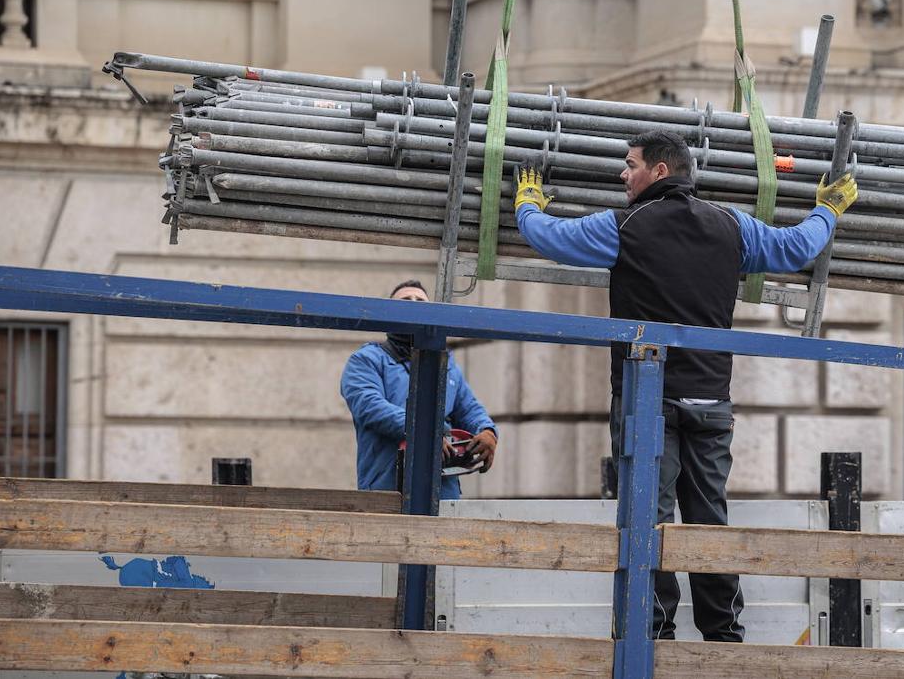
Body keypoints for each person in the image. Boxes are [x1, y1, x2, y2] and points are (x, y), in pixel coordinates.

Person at [512, 131, 858, 642]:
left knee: (646, 517)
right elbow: (795, 248)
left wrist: (527, 206)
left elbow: (551, 239)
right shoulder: (732, 226)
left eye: (630, 165)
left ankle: (652, 634)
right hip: (711, 400)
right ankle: (723, 636)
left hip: (647, 398)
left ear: (660, 171)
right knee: (709, 518)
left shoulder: (624, 226)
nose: (622, 175)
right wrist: (828, 209)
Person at [340, 279, 498, 499]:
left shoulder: (446, 366)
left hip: (443, 493)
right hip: (387, 491)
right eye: (406, 300)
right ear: (388, 314)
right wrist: (425, 431)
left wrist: (488, 431)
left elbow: (470, 409)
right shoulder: (366, 361)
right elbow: (369, 406)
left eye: (421, 300)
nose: (415, 304)